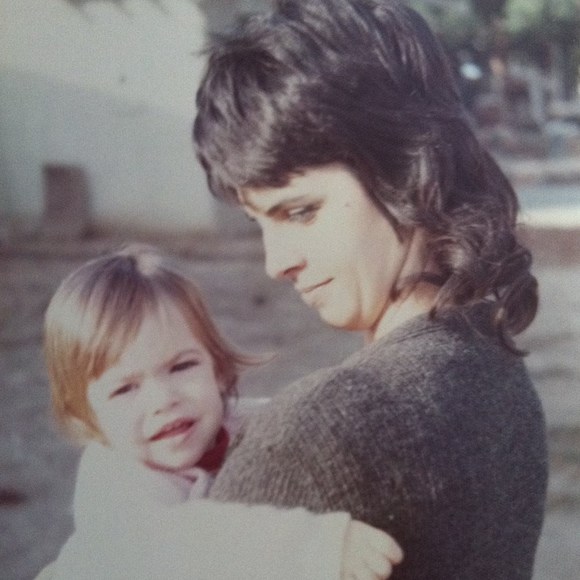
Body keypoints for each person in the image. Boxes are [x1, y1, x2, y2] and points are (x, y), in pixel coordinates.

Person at [193, 0, 548, 578]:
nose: (276, 264)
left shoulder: (320, 433)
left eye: (301, 211)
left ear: (405, 169)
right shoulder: (495, 362)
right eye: (258, 221)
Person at [41, 244, 403, 580]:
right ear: (85, 414)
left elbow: (292, 426)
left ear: (217, 367)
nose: (163, 400)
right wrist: (316, 544)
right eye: (124, 389)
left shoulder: (237, 421)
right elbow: (173, 547)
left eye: (181, 367)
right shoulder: (113, 483)